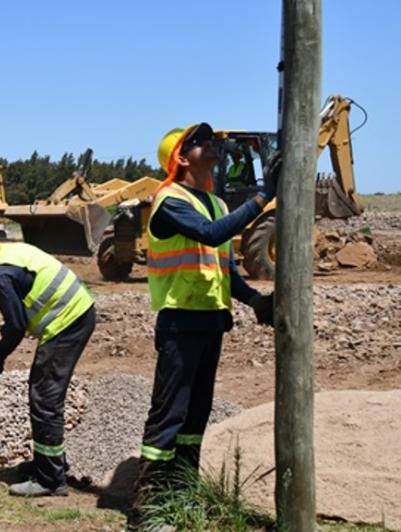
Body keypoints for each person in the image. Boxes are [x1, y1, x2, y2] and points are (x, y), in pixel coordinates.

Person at [134, 123, 277, 510]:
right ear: (180, 158)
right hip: (180, 320)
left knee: (196, 414)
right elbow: (211, 236)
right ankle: (148, 506)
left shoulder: (215, 203)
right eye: (200, 141)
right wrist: (263, 196)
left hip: (211, 319)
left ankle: (182, 493)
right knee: (171, 412)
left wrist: (254, 300)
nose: (212, 144)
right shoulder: (169, 200)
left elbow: (223, 267)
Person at [0, 224, 96, 497]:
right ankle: (48, 465)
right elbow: (21, 311)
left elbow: (16, 327)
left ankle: (51, 480)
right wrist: (11, 327)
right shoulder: (9, 252)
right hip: (77, 313)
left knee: (44, 398)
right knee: (43, 395)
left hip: (67, 322)